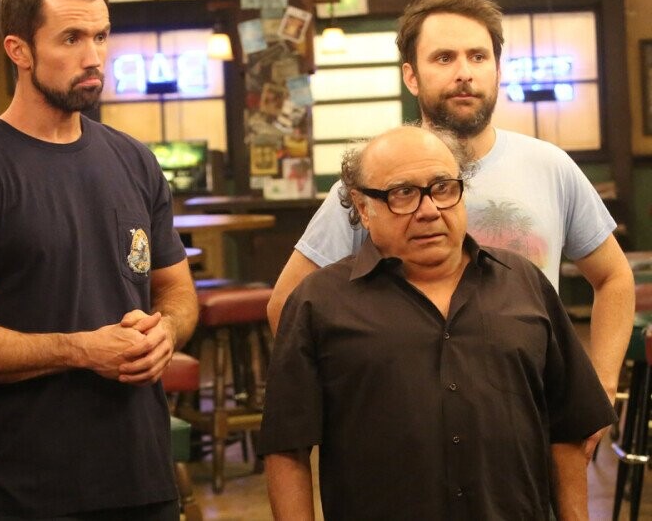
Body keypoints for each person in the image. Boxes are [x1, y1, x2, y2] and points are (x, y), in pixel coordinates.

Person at [0, 0, 199, 519]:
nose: (93, 56)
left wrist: (165, 331)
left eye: (101, 36)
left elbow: (177, 291)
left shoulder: (134, 160)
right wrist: (78, 350)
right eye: (71, 38)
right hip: (30, 487)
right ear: (19, 50)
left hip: (143, 474)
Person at [267, 0, 634, 412]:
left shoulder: (550, 166)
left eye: (478, 56)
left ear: (497, 69)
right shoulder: (373, 183)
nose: (464, 72)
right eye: (444, 58)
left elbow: (613, 277)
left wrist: (601, 385)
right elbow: (287, 305)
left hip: (531, 411)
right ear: (411, 76)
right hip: (410, 423)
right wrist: (353, 406)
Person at [260, 125, 616, 520]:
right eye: (403, 194)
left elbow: (568, 428)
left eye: (443, 188)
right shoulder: (319, 302)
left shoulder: (523, 283)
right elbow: (286, 448)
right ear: (362, 208)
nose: (429, 210)